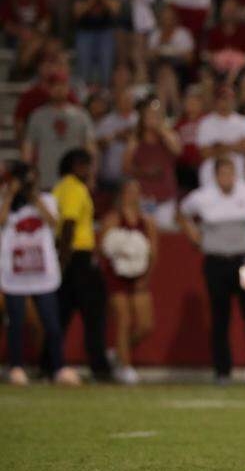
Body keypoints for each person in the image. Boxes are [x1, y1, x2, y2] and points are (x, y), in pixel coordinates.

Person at [178, 157, 245, 385]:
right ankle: (222, 371)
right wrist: (195, 237)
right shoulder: (203, 197)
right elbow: (182, 213)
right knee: (220, 316)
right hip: (216, 263)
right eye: (223, 173)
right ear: (216, 175)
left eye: (230, 173)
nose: (227, 178)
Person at [1, 162, 79, 386]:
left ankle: (58, 367)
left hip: (42, 273)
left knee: (52, 323)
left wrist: (34, 198)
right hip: (15, 273)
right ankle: (16, 367)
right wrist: (10, 195)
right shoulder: (4, 199)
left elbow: (54, 222)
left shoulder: (47, 200)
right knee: (15, 323)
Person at [52, 148, 113, 381]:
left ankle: (51, 362)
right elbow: (68, 223)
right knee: (94, 314)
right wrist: (64, 259)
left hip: (69, 257)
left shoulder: (61, 187)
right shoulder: (75, 189)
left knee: (62, 313)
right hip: (77, 257)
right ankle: (99, 367)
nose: (89, 170)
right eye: (86, 165)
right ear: (76, 166)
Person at [100, 179, 157, 385]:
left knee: (145, 325)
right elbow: (104, 248)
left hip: (139, 277)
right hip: (117, 276)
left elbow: (153, 251)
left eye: (137, 191)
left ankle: (117, 353)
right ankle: (125, 367)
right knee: (123, 320)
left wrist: (145, 276)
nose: (133, 195)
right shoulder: (113, 218)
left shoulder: (146, 221)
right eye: (129, 191)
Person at [22, 72, 96, 189]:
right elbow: (28, 148)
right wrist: (27, 174)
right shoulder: (37, 116)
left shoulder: (81, 115)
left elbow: (90, 148)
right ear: (49, 89)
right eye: (55, 85)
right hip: (45, 180)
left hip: (74, 182)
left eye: (63, 85)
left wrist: (91, 176)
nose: (59, 89)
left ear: (68, 88)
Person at [124, 98, 181, 228]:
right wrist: (144, 172)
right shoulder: (135, 140)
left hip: (165, 196)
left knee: (165, 231)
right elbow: (125, 167)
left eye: (156, 116)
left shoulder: (169, 136)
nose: (152, 119)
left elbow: (177, 151)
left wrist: (160, 129)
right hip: (144, 197)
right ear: (142, 118)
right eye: (149, 115)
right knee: (146, 230)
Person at [196, 85, 245, 189]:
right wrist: (235, 145)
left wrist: (219, 146)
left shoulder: (244, 121)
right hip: (211, 174)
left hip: (238, 172)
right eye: (223, 99)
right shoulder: (205, 123)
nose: (226, 102)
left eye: (229, 99)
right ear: (216, 101)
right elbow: (205, 152)